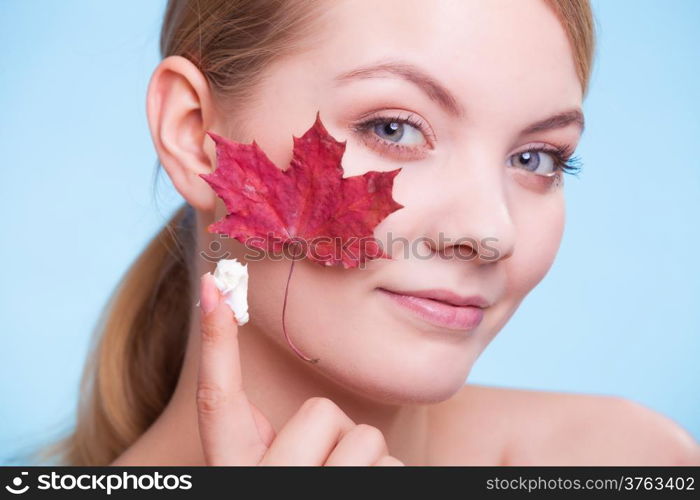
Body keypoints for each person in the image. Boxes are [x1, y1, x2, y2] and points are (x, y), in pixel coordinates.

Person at [46, 0, 700, 465]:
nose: (488, 230)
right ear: (194, 137)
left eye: (537, 159)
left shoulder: (630, 460)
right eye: (393, 127)